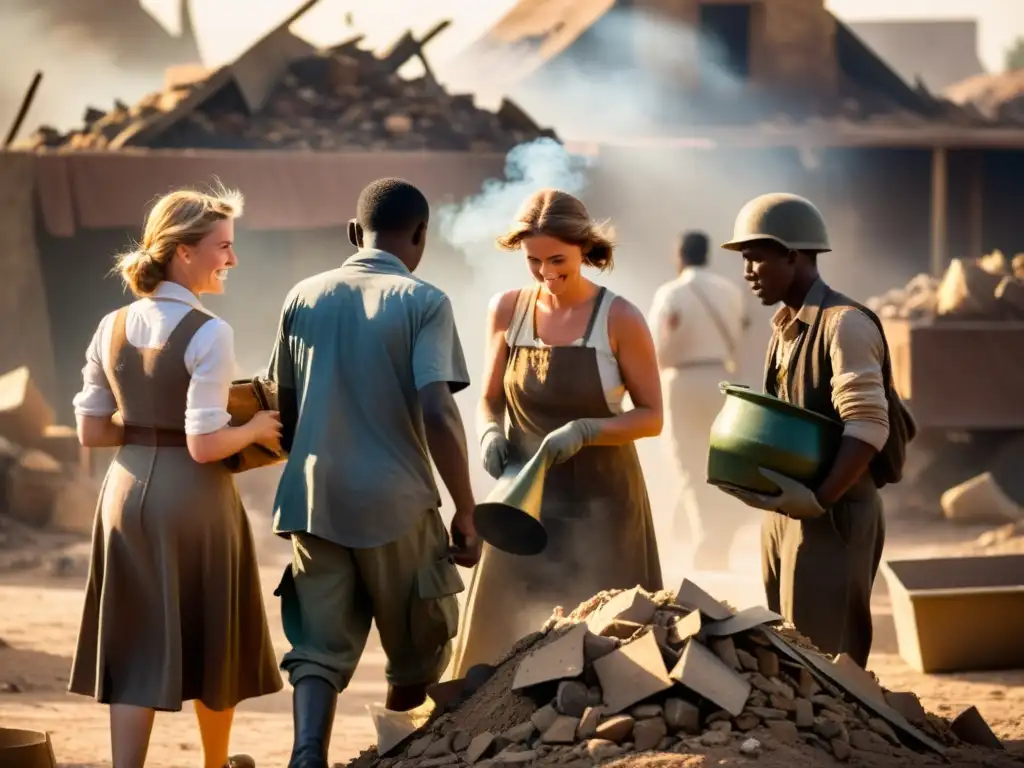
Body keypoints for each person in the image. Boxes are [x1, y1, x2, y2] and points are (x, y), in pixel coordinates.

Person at [267, 178, 480, 768]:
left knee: (316, 646)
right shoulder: (425, 301)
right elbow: (438, 410)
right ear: (420, 235)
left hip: (313, 501)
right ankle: (396, 756)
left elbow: (283, 407)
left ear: (353, 234)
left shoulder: (302, 296)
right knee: (417, 645)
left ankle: (307, 756)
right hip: (399, 504)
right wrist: (465, 507)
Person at [68, 187, 284, 768]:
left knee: (135, 640)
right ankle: (215, 765)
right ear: (183, 252)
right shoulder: (210, 332)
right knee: (216, 635)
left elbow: (91, 432)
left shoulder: (109, 325)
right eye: (223, 247)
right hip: (194, 498)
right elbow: (205, 443)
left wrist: (142, 424)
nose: (232, 260)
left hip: (124, 492)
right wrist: (257, 428)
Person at [450, 188, 664, 678]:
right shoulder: (507, 310)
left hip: (605, 502)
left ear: (585, 249)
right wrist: (488, 432)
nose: (547, 273)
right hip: (522, 501)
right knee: (500, 647)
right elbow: (489, 397)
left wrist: (587, 430)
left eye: (558, 260)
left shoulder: (621, 318)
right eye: (533, 261)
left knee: (611, 652)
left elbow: (652, 417)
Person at [718, 192, 912, 668]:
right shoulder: (784, 326)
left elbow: (867, 426)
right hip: (790, 512)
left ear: (793, 254)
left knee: (829, 665)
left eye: (756, 259)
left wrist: (820, 499)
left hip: (834, 511)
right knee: (789, 653)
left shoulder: (845, 325)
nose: (747, 273)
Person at [647, 230, 750, 571]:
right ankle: (717, 535)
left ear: (680, 255)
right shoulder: (730, 291)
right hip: (723, 378)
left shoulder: (671, 293)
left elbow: (656, 348)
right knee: (723, 460)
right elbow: (740, 335)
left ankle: (709, 539)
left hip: (683, 382)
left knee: (690, 463)